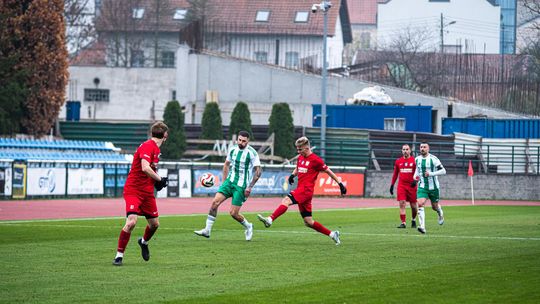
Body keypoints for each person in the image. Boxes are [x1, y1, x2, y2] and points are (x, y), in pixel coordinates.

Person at [257, 136, 347, 245]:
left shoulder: (316, 160)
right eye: (297, 149)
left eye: (300, 149)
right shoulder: (300, 157)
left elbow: (328, 171)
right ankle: (333, 234)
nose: (298, 151)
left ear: (307, 148)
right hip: (302, 190)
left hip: (306, 190)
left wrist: (340, 184)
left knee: (286, 200)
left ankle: (270, 219)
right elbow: (298, 168)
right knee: (308, 222)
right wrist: (292, 175)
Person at [112, 122, 169, 266]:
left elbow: (149, 169)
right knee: (131, 221)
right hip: (134, 190)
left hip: (147, 192)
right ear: (165, 135)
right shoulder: (148, 146)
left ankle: (143, 242)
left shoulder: (155, 149)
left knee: (154, 224)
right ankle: (119, 256)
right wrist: (160, 179)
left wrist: (156, 181)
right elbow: (144, 167)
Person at [194, 130, 262, 241]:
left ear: (248, 141)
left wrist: (250, 187)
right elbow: (226, 165)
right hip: (229, 182)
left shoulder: (252, 153)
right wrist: (224, 181)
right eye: (239, 140)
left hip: (241, 186)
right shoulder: (232, 150)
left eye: (244, 141)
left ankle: (248, 226)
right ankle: (207, 230)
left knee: (233, 213)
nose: (241, 143)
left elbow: (258, 171)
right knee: (214, 203)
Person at [413, 142, 446, 234]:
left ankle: (440, 212)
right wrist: (414, 178)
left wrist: (431, 174)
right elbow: (417, 170)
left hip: (434, 187)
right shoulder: (417, 159)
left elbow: (443, 171)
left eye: (424, 147)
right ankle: (422, 227)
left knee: (434, 207)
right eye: (421, 147)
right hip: (422, 186)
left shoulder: (434, 159)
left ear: (428, 149)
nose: (422, 148)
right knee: (420, 203)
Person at [390, 144, 418, 228]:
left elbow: (419, 172)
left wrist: (416, 180)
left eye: (407, 149)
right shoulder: (398, 161)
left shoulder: (414, 161)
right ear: (402, 151)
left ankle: (413, 219)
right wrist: (392, 185)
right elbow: (395, 174)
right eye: (403, 149)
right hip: (401, 185)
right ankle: (403, 223)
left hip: (412, 186)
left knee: (413, 206)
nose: (405, 151)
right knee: (402, 203)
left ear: (410, 151)